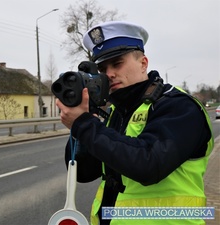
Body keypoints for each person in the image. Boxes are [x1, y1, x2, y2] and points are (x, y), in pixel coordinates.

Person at [56, 21, 214, 225]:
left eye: (117, 63)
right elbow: (85, 172)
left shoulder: (178, 106)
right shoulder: (116, 112)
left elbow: (149, 165)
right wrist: (87, 116)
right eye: (103, 68)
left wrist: (85, 125)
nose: (109, 74)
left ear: (143, 63)